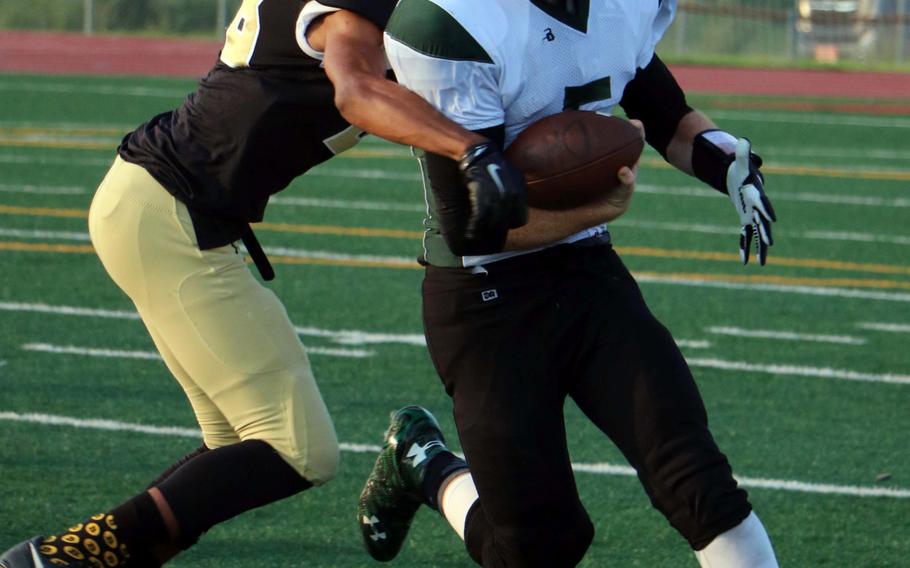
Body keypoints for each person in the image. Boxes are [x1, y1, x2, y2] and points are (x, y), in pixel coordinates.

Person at [0, 1, 530, 567]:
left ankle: (86, 558)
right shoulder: (354, 15)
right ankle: (58, 559)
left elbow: (387, 101)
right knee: (298, 448)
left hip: (158, 207)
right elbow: (357, 92)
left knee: (234, 446)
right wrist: (471, 149)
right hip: (168, 214)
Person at [357, 0, 779, 566]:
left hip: (586, 274)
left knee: (699, 483)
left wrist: (728, 160)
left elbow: (666, 115)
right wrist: (599, 207)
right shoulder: (452, 20)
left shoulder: (620, 7)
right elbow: (471, 227)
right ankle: (424, 464)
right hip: (483, 299)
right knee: (540, 545)